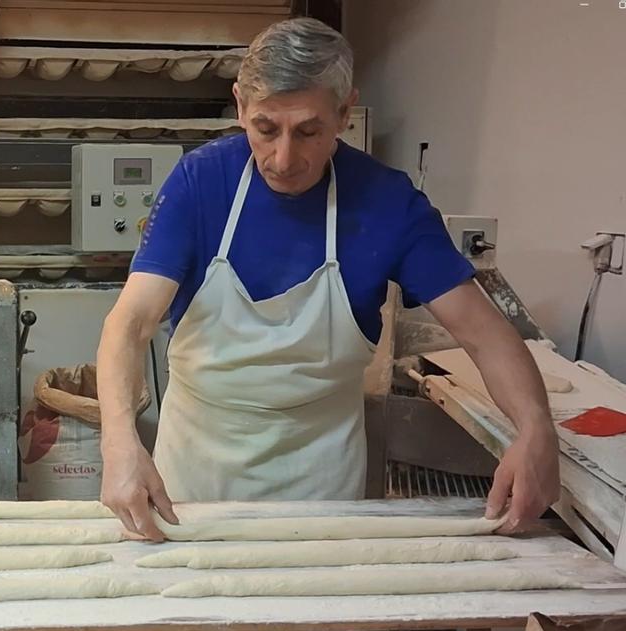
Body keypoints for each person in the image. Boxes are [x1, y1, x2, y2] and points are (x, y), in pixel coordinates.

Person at [95, 17, 559, 541]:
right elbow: (129, 325)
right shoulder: (200, 183)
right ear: (241, 107)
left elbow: (485, 334)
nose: (284, 158)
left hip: (321, 478)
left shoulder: (388, 203)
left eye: (309, 131)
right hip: (194, 471)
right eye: (265, 128)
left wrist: (536, 429)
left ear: (343, 113)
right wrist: (119, 442)